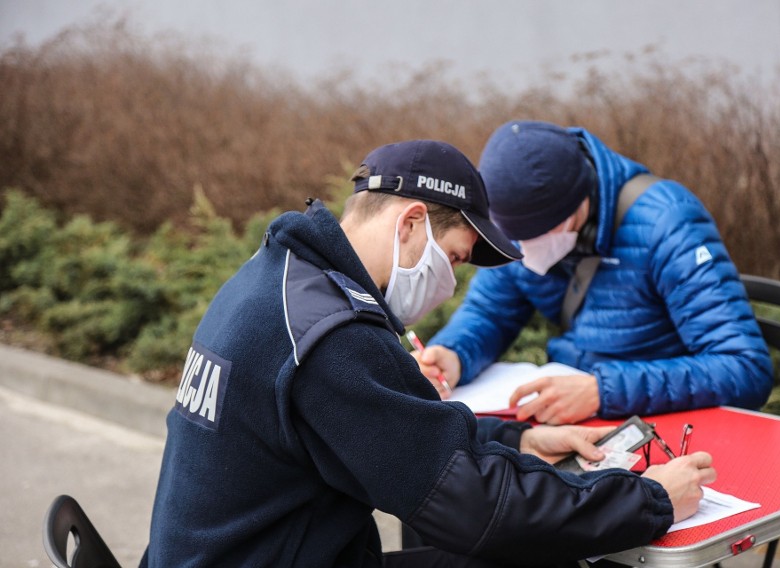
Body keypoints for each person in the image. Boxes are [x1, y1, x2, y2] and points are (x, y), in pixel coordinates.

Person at [141, 139, 716, 567]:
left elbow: (404, 436)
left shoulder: (278, 278)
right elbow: (473, 505)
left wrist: (519, 439)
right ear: (412, 222)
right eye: (457, 259)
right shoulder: (333, 337)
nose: (452, 281)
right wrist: (650, 499)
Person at [417, 120, 774, 425]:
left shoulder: (668, 224)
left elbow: (745, 368)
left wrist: (603, 391)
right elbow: (490, 311)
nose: (522, 251)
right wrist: (454, 353)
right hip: (578, 418)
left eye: (533, 237)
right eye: (510, 238)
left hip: (662, 423)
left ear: (577, 206)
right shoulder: (519, 220)